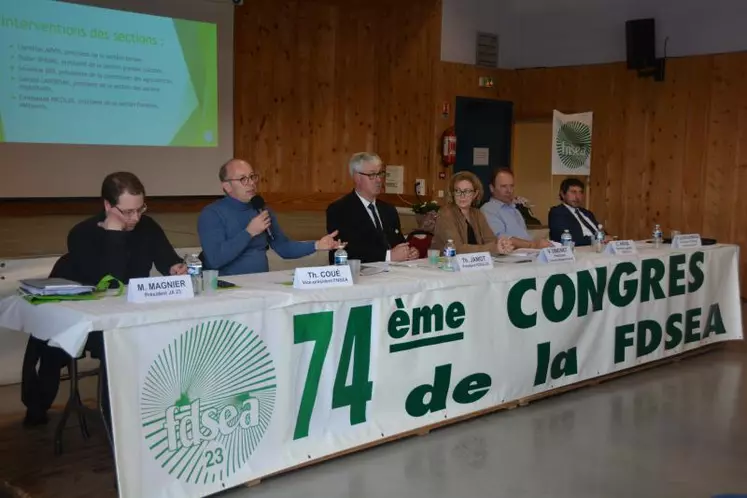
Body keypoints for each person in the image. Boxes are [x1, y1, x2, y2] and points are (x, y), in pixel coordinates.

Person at [22, 172, 187, 426]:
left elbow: (167, 260)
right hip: (85, 317)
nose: (135, 218)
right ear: (108, 206)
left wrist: (176, 267)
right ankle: (112, 420)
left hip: (129, 314)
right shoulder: (82, 234)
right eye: (127, 212)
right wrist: (114, 234)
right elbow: (109, 281)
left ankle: (139, 413)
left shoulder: (148, 226)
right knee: (113, 345)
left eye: (140, 209)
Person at [198, 159, 342, 275]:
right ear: (227, 186)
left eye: (252, 177)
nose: (252, 183)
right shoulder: (212, 214)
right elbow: (215, 259)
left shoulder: (261, 209)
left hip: (262, 284)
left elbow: (283, 248)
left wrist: (316, 245)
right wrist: (249, 232)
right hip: (227, 287)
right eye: (243, 179)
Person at [326, 152, 419, 264]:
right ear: (357, 178)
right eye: (372, 175)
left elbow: (398, 243)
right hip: (361, 276)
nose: (379, 180)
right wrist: (388, 256)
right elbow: (345, 251)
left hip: (394, 274)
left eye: (380, 174)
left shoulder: (388, 210)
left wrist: (409, 252)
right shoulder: (339, 210)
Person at [431, 171, 515, 255]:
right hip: (446, 264)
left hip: (475, 263)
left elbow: (491, 241)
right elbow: (456, 248)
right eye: (458, 191)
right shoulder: (445, 214)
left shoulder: (477, 214)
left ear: (475, 194)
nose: (462, 196)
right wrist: (494, 248)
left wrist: (503, 245)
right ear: (453, 194)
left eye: (467, 191)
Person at [480, 168, 553, 250]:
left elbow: (524, 237)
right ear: (492, 188)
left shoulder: (514, 209)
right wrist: (532, 245)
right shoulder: (488, 209)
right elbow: (502, 239)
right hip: (507, 258)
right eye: (504, 186)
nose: (509, 190)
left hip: (527, 254)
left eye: (511, 186)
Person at [548, 178, 613, 246]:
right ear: (562, 194)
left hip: (601, 246)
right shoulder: (557, 212)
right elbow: (567, 239)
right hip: (581, 249)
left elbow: (600, 231)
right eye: (573, 192)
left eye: (580, 192)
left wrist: (609, 238)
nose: (577, 197)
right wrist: (597, 239)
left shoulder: (587, 213)